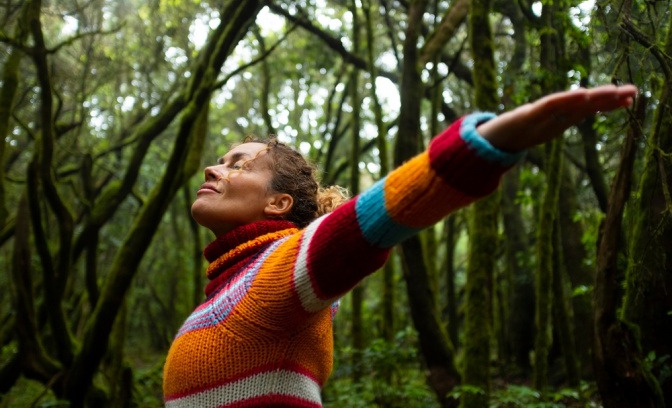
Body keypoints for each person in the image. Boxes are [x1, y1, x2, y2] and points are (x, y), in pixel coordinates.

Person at [162, 84, 637, 407]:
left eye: (239, 164)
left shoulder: (277, 274)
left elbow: (371, 219)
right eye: (221, 161)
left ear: (278, 203)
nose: (213, 169)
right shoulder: (228, 288)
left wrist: (484, 145)